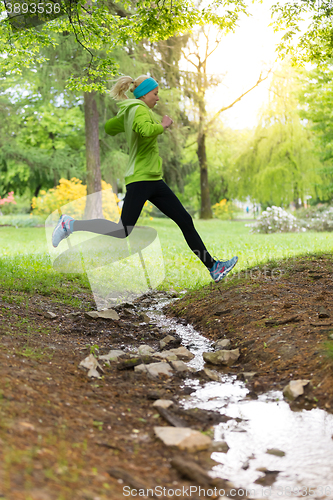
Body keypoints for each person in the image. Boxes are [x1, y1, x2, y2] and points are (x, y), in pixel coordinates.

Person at [52, 75, 238, 282]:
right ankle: (70, 225)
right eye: (155, 93)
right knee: (122, 230)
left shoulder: (133, 111)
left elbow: (109, 128)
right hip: (141, 179)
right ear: (144, 93)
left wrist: (125, 119)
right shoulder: (139, 110)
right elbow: (146, 130)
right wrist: (163, 125)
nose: (157, 98)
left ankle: (214, 267)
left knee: (184, 219)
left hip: (153, 179)